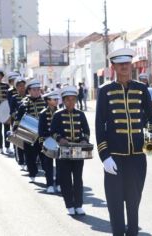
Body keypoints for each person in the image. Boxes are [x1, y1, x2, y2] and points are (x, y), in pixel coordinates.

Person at [95, 48, 152, 236]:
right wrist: (105, 156)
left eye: (127, 63)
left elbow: (150, 119)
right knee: (115, 203)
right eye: (120, 64)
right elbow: (100, 125)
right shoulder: (105, 91)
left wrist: (150, 142)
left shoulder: (141, 89)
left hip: (137, 157)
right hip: (114, 157)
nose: (124, 67)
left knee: (133, 202)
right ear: (113, 66)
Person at [51, 86, 90, 215]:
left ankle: (78, 205)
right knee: (65, 179)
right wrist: (60, 139)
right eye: (68, 100)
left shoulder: (81, 114)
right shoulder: (57, 115)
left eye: (73, 99)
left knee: (78, 178)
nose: (71, 102)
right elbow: (53, 132)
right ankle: (69, 205)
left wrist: (84, 139)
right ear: (63, 100)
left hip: (78, 149)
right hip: (64, 150)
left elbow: (86, 130)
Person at [14, 78, 46, 182]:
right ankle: (32, 173)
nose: (36, 92)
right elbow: (18, 119)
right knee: (29, 155)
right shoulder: (24, 103)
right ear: (29, 91)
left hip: (42, 134)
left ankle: (48, 174)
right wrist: (15, 129)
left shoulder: (45, 102)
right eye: (34, 90)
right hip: (29, 133)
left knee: (45, 155)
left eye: (38, 89)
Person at [38, 90, 61, 193]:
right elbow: (41, 131)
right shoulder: (43, 114)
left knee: (60, 165)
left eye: (57, 99)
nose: (57, 101)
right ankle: (50, 185)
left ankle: (59, 183)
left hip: (59, 142)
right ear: (48, 101)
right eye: (54, 99)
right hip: (47, 142)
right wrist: (48, 138)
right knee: (48, 165)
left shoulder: (60, 112)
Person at [9, 76, 27, 170]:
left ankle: (29, 160)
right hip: (18, 122)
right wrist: (16, 115)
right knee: (19, 142)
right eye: (19, 86)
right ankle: (21, 160)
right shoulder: (14, 98)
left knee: (28, 142)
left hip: (28, 123)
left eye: (23, 86)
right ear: (16, 87)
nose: (22, 88)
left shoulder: (29, 97)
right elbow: (11, 111)